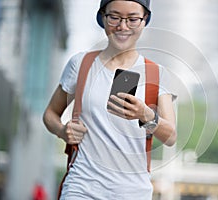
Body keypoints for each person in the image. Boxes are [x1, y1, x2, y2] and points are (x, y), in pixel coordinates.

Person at [43, 0, 177, 199]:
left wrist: (146, 115)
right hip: (81, 187)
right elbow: (50, 114)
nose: (122, 26)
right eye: (114, 17)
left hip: (133, 192)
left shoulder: (156, 74)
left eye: (132, 19)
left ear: (144, 20)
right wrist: (63, 131)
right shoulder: (81, 64)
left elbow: (171, 137)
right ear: (102, 17)